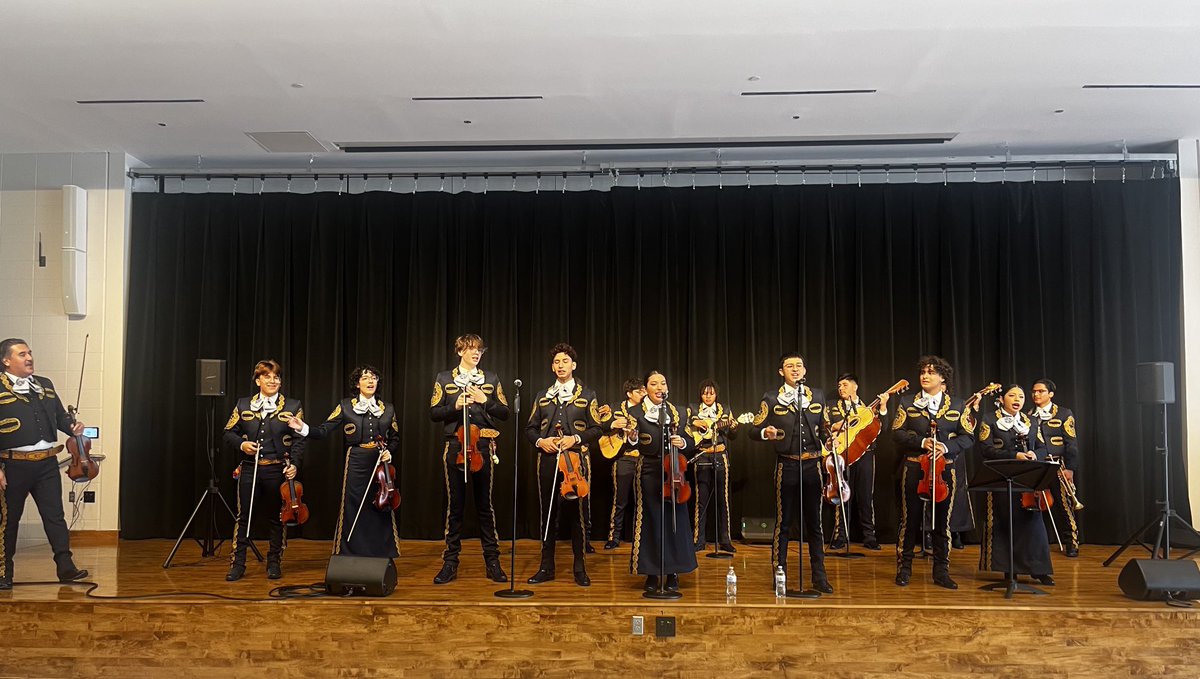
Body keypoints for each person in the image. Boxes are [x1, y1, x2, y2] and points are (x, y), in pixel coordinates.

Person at [0, 338, 89, 589]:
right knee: (8, 521)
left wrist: (72, 427)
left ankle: (66, 568)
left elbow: (60, 416)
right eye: (21, 354)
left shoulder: (44, 385)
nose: (29, 358)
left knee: (55, 517)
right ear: (6, 360)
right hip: (12, 465)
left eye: (29, 352)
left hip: (46, 464)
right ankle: (3, 572)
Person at [287, 365, 400, 559]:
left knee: (381, 505)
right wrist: (303, 428)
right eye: (365, 378)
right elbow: (323, 431)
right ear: (357, 384)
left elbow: (395, 438)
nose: (370, 381)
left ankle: (381, 551)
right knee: (353, 503)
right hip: (356, 460)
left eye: (373, 378)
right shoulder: (346, 406)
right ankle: (351, 551)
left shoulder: (387, 408)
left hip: (380, 464)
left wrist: (389, 451)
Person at [428, 334, 510, 585]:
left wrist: (486, 402)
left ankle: (492, 561)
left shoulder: (491, 379)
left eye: (479, 350)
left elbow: (505, 412)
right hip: (456, 445)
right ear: (460, 351)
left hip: (484, 445)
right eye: (471, 349)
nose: (476, 353)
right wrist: (454, 404)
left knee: (485, 506)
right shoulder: (444, 378)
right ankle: (450, 562)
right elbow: (433, 412)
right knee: (455, 507)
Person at [749, 352, 833, 594]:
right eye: (789, 366)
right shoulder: (771, 398)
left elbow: (825, 428)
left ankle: (819, 576)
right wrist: (767, 433)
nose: (795, 369)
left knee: (815, 524)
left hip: (813, 465)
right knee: (783, 523)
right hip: (786, 465)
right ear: (781, 372)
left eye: (799, 366)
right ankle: (780, 574)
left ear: (805, 371)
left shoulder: (817, 396)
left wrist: (832, 435)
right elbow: (754, 429)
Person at [524, 344, 606, 587]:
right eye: (557, 362)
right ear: (552, 367)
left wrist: (576, 438)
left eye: (565, 361)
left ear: (574, 365)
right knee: (547, 515)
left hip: (576, 461)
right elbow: (529, 428)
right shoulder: (542, 396)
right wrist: (541, 440)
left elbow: (598, 428)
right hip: (548, 460)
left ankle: (579, 568)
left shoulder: (587, 395)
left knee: (578, 515)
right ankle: (546, 567)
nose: (561, 365)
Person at [891, 355, 975, 590]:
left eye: (931, 372)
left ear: (942, 378)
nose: (925, 376)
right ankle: (904, 568)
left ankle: (941, 570)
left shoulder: (958, 405)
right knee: (910, 521)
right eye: (923, 372)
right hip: (914, 466)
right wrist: (921, 441)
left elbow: (968, 437)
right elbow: (896, 432)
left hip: (945, 470)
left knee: (942, 523)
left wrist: (947, 446)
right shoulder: (907, 402)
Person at [223, 360, 304, 581]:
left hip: (278, 470)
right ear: (258, 380)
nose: (273, 380)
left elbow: (299, 439)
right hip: (250, 469)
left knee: (278, 517)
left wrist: (294, 463)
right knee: (244, 518)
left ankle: (274, 561)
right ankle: (238, 563)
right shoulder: (243, 404)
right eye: (267, 377)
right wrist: (242, 444)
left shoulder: (293, 406)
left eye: (276, 377)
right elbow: (229, 432)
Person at [977, 384, 1055, 585]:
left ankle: (1038, 568)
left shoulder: (1031, 421)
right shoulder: (989, 419)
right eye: (1012, 395)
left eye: (1020, 395)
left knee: (1032, 523)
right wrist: (1014, 455)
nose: (1017, 399)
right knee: (1004, 522)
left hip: (1027, 478)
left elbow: (1042, 446)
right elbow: (985, 449)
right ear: (1002, 399)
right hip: (1002, 476)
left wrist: (1034, 455)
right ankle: (1007, 569)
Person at [629, 370, 697, 592]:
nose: (660, 387)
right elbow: (631, 442)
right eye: (654, 383)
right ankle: (651, 572)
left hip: (674, 472)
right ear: (646, 389)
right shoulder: (636, 413)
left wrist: (683, 442)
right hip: (648, 470)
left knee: (674, 520)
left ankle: (673, 572)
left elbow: (691, 439)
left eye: (663, 383)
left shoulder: (677, 412)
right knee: (650, 520)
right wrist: (631, 437)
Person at [823, 373, 888, 551]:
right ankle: (840, 536)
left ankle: (869, 535)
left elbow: (882, 428)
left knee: (866, 495)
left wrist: (882, 408)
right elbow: (824, 426)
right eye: (839, 386)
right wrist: (832, 435)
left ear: (855, 386)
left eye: (844, 384)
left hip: (866, 455)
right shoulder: (831, 408)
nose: (841, 388)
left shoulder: (867, 409)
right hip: (843, 454)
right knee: (843, 494)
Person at [1028, 378, 1080, 557]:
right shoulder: (1028, 416)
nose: (1036, 394)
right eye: (1034, 391)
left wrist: (1070, 468)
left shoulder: (1064, 414)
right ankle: (1035, 543)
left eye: (1041, 391)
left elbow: (1071, 443)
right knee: (1034, 506)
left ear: (1050, 394)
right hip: (1037, 466)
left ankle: (1072, 542)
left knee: (1064, 505)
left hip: (1058, 465)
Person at [686, 379, 739, 553]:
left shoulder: (726, 410)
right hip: (701, 455)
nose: (708, 396)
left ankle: (725, 540)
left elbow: (732, 436)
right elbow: (684, 429)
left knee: (723, 499)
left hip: (720, 454)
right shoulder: (692, 409)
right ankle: (698, 540)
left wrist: (733, 427)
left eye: (711, 393)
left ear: (716, 394)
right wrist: (694, 423)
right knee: (700, 500)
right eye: (705, 393)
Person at [602, 379, 645, 550]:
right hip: (623, 458)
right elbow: (599, 426)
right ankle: (614, 537)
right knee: (620, 500)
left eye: (643, 391)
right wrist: (613, 424)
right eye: (639, 392)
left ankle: (639, 537)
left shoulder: (647, 410)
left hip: (643, 458)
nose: (643, 394)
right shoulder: (614, 408)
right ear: (629, 394)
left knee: (641, 501)